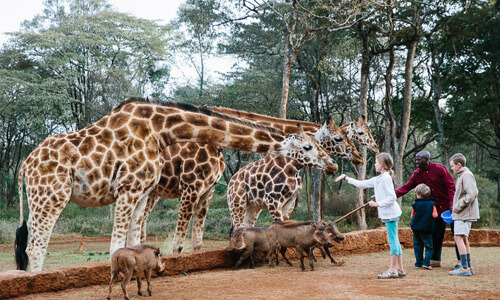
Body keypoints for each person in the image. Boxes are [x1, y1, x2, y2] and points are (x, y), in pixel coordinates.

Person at [335, 152, 404, 279]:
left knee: (393, 241)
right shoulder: (379, 178)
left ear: (382, 165)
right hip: (389, 214)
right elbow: (362, 184)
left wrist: (378, 204)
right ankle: (399, 268)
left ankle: (393, 270)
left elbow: (392, 197)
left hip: (391, 214)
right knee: (395, 240)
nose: (375, 164)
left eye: (377, 162)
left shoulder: (386, 178)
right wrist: (346, 177)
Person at [395, 150, 458, 268]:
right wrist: (391, 196)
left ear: (427, 159)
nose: (416, 161)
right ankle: (435, 259)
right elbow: (407, 187)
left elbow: (451, 186)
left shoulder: (440, 169)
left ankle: (461, 260)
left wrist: (452, 204)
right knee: (434, 233)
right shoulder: (417, 173)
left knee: (452, 233)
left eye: (419, 159)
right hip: (430, 209)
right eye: (416, 159)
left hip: (444, 207)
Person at [449, 153, 479, 276]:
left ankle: (464, 267)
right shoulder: (462, 175)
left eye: (452, 166)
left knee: (458, 237)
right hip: (463, 213)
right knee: (463, 238)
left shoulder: (466, 175)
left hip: (464, 213)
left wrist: (458, 206)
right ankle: (468, 266)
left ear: (459, 165)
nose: (451, 168)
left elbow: (472, 193)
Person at [410, 183, 438, 269]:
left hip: (416, 228)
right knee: (429, 246)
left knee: (418, 245)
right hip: (427, 228)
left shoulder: (415, 204)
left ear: (420, 195)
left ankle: (418, 263)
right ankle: (426, 262)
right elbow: (435, 215)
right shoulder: (432, 204)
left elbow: (412, 216)